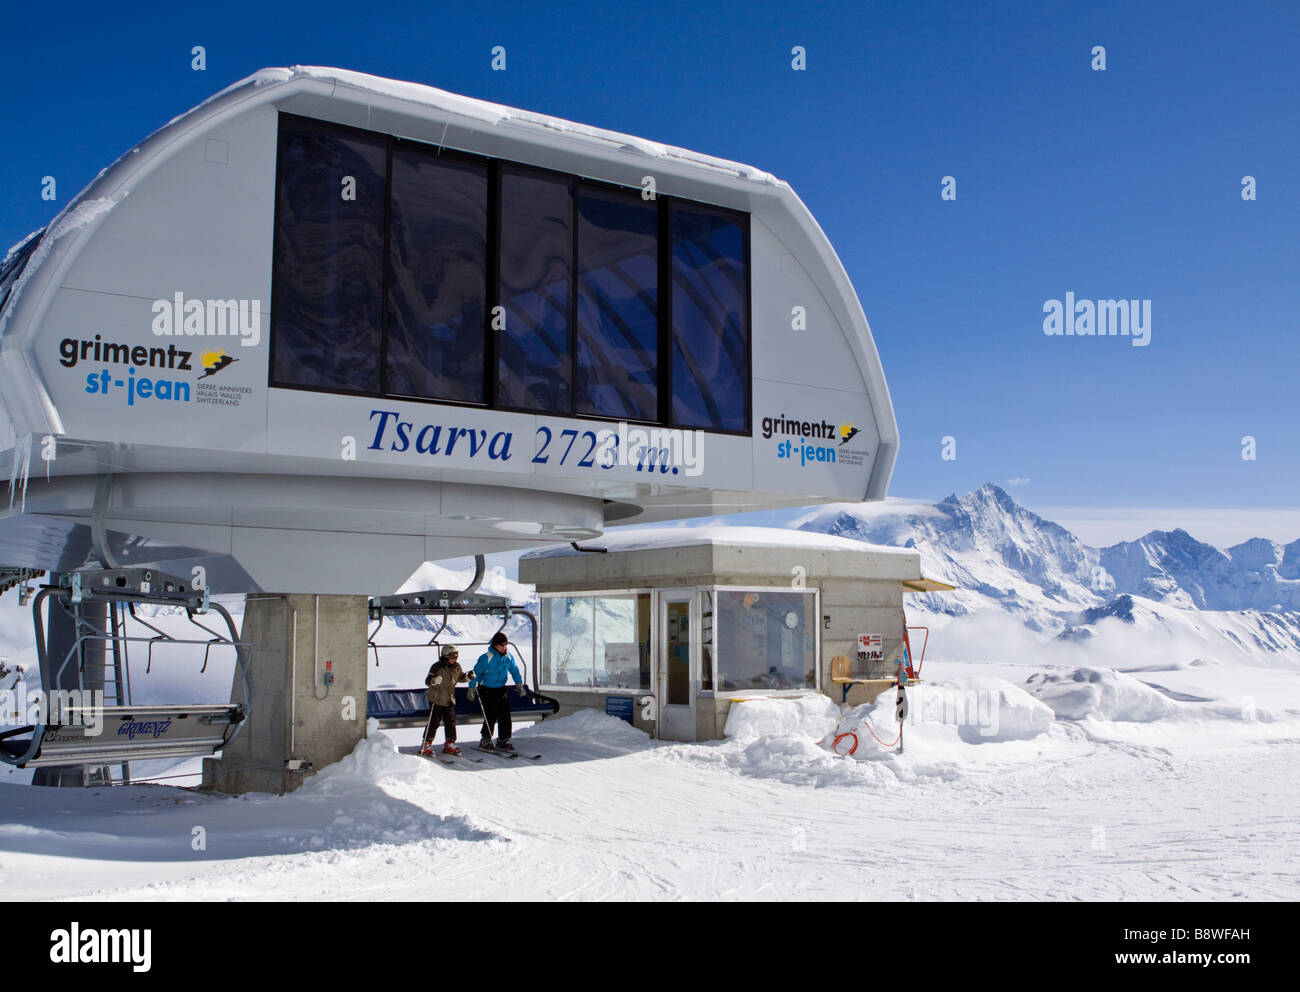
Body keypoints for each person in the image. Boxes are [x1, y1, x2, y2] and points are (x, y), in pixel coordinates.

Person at [468, 632, 525, 751]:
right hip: (487, 688)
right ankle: (486, 738)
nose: (504, 647)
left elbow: (514, 670)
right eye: (501, 645)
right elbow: (475, 673)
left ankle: (504, 739)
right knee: (491, 712)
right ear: (495, 645)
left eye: (505, 644)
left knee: (505, 712)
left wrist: (519, 684)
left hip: (500, 687)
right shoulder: (487, 657)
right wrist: (472, 687)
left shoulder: (508, 657)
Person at [422, 644, 468, 756]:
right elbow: (428, 681)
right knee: (434, 721)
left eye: (456, 656)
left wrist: (467, 677)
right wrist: (434, 680)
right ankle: (426, 743)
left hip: (449, 699)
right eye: (452, 656)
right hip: (436, 699)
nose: (454, 659)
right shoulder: (437, 667)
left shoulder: (457, 667)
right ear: (445, 656)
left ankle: (450, 743)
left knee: (451, 721)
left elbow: (460, 677)